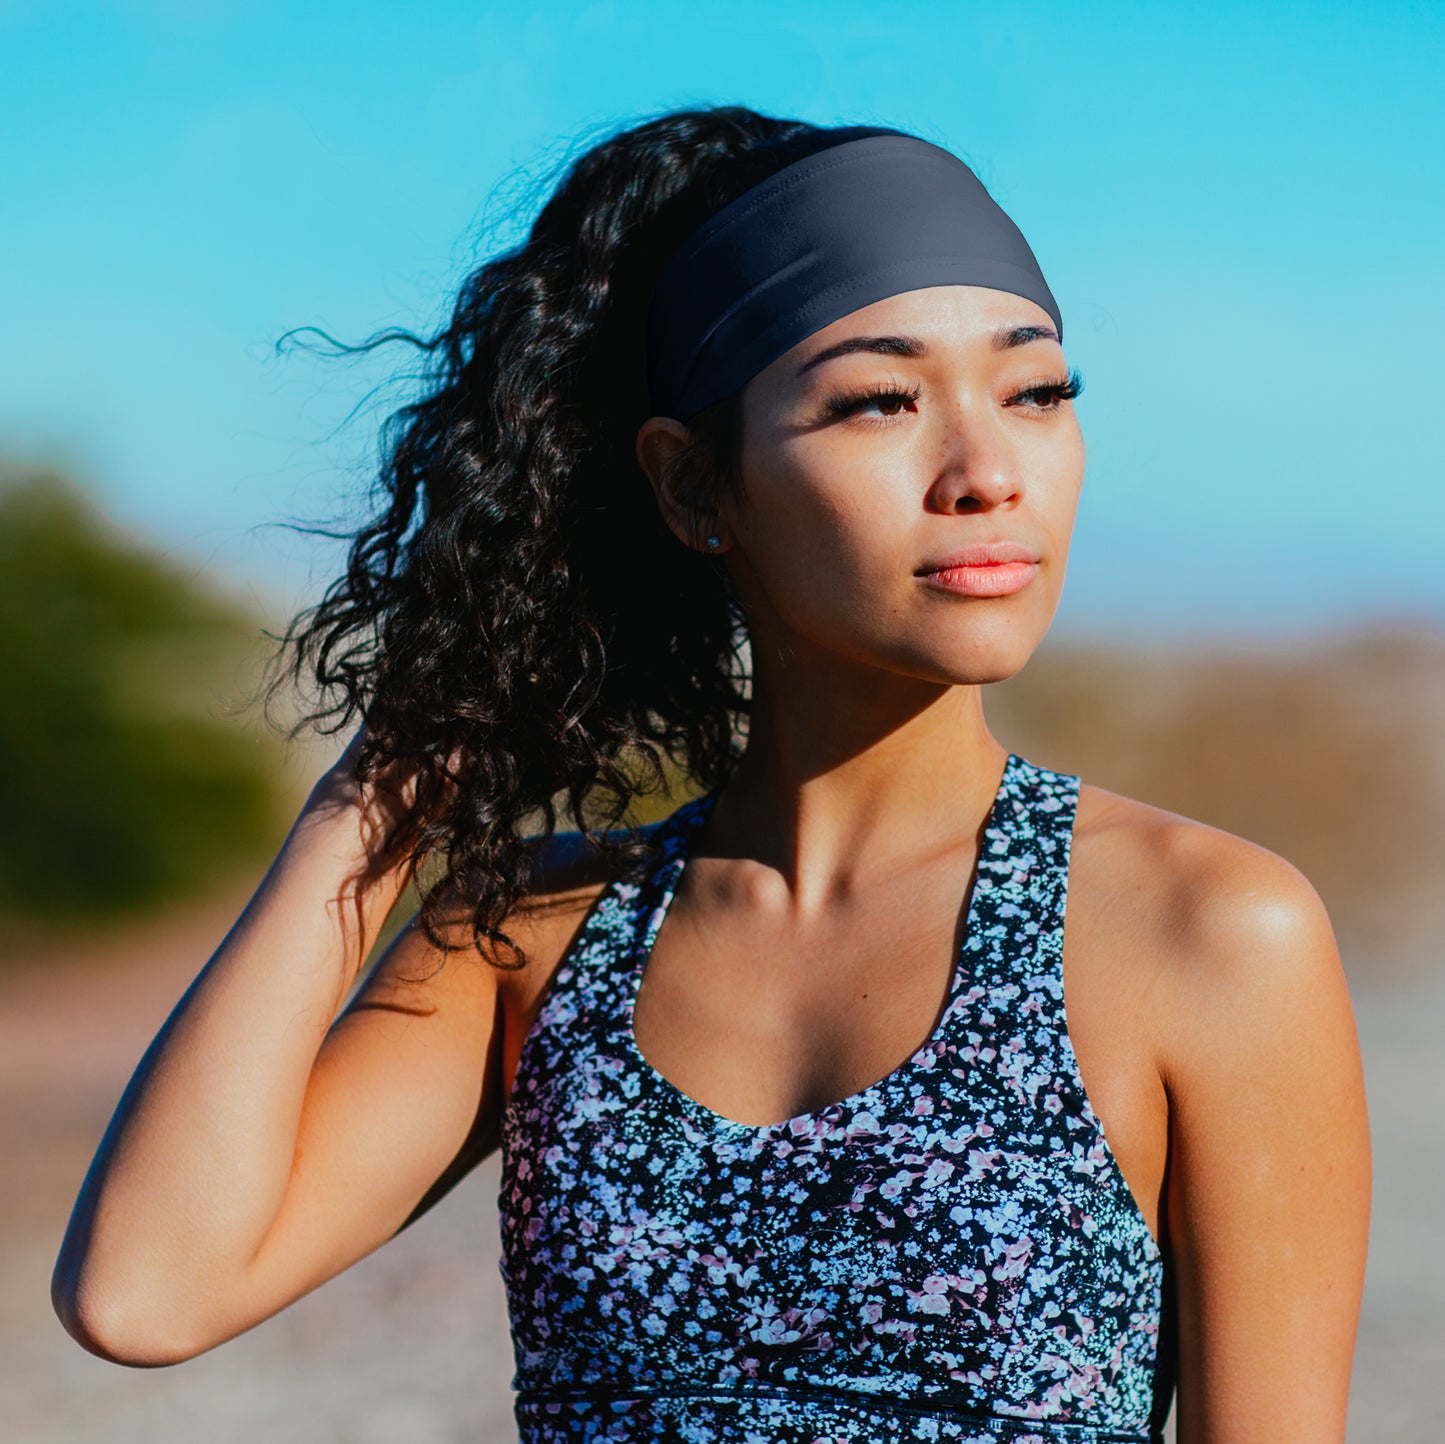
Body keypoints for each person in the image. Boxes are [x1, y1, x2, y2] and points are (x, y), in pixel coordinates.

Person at [52, 106, 1371, 1443]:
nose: (985, 473)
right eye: (878, 401)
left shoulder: (1202, 931)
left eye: (1036, 392)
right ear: (692, 487)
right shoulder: (533, 942)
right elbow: (146, 1293)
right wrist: (392, 784)